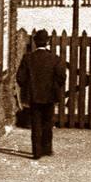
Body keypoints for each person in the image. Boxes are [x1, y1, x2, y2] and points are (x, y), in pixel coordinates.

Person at [16, 29, 68, 159]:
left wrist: (28, 88)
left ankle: (36, 152)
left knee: (36, 123)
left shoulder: (28, 58)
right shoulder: (55, 59)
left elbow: (20, 78)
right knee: (48, 122)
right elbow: (62, 77)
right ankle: (47, 149)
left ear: (34, 42)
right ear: (48, 42)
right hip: (49, 96)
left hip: (33, 96)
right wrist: (54, 88)